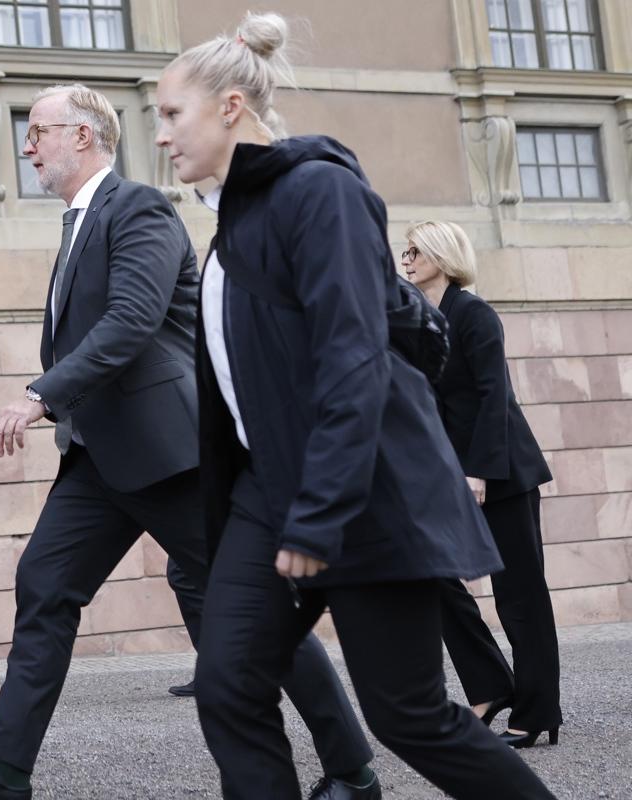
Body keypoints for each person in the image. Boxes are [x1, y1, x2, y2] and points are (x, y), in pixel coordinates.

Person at [0, 83, 378, 800]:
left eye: (38, 131)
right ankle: (1, 767)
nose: (27, 146)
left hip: (170, 455)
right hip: (99, 458)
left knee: (256, 607)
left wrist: (40, 394)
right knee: (45, 583)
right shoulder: (75, 225)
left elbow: (130, 321)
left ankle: (352, 770)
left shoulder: (139, 208)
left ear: (85, 137)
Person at [154, 12, 556, 799]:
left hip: (365, 497)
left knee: (407, 716)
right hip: (271, 495)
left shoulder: (321, 191)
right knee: (228, 686)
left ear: (231, 106)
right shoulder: (233, 219)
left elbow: (354, 354)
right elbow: (368, 334)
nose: (162, 135)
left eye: (172, 114)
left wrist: (319, 512)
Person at [403, 220, 562, 748]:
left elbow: (496, 398)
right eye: (404, 251)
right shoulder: (422, 319)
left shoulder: (475, 315)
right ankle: (491, 684)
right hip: (450, 477)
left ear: (443, 258)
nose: (405, 259)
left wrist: (479, 472)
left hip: (501, 474)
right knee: (436, 579)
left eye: (415, 251)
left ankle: (539, 710)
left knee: (519, 594)